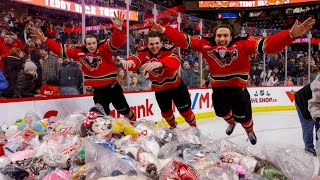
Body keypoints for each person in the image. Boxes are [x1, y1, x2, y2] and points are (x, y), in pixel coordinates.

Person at [149, 17, 315, 145]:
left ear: (231, 36)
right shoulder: (206, 44)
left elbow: (268, 44)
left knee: (244, 117)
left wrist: (291, 34)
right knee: (221, 113)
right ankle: (231, 122)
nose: (222, 38)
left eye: (225, 35)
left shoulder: (243, 44)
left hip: (238, 90)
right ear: (215, 35)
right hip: (218, 90)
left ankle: (249, 131)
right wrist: (164, 29)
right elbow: (183, 39)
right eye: (219, 35)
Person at [31, 12, 136, 122]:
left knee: (126, 112)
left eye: (93, 43)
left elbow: (117, 41)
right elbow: (59, 49)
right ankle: (110, 135)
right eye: (89, 44)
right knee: (103, 117)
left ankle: (136, 127)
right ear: (85, 44)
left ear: (97, 43)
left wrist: (119, 28)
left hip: (113, 88)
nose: (91, 46)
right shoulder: (79, 51)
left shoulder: (105, 48)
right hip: (98, 91)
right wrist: (44, 39)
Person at [124, 30, 197, 128]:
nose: (154, 46)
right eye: (151, 44)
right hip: (160, 89)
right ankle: (174, 129)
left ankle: (195, 129)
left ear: (162, 43)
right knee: (166, 114)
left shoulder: (168, 49)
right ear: (147, 44)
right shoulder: (143, 51)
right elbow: (135, 58)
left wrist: (160, 63)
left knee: (185, 112)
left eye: (157, 43)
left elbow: (176, 61)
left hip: (176, 86)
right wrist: (130, 61)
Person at [295, 73, 320, 156]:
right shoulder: (318, 86)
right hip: (303, 101)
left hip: (315, 103)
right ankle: (308, 147)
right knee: (308, 124)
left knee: (318, 124)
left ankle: (318, 143)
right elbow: (315, 102)